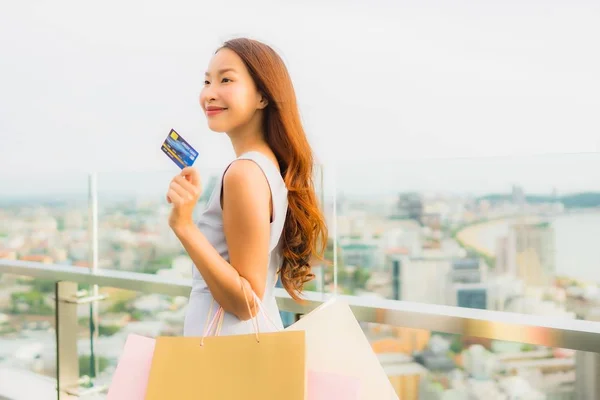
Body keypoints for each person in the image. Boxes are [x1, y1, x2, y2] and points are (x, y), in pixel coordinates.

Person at [165, 37, 328, 336]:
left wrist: (184, 224)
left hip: (227, 355)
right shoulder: (266, 166)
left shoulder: (244, 173)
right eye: (207, 81)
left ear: (262, 97)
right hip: (248, 350)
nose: (209, 94)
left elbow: (245, 302)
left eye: (226, 79)